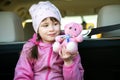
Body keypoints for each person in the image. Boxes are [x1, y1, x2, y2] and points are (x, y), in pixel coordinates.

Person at [14, 1, 84, 80]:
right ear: (37, 29)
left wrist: (68, 62)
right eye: (45, 25)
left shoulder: (69, 46)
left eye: (55, 24)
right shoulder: (29, 48)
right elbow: (22, 75)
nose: (51, 29)